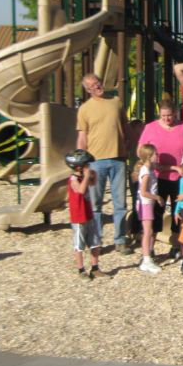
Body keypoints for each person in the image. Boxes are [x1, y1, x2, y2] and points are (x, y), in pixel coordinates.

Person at [76, 73, 130, 255]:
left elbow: (126, 127)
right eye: (91, 86)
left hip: (118, 158)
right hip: (95, 161)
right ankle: (96, 240)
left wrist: (128, 147)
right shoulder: (84, 109)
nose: (96, 87)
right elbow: (82, 137)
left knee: (120, 203)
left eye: (97, 83)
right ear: (87, 90)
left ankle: (120, 239)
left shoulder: (116, 102)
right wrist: (81, 163)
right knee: (96, 204)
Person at [137, 102, 183, 261]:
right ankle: (150, 248)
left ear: (175, 113)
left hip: (180, 178)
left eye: (169, 115)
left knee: (179, 211)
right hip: (157, 177)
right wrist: (150, 163)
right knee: (155, 213)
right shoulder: (151, 128)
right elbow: (140, 150)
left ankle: (177, 245)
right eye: (163, 116)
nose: (167, 119)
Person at [65, 149, 105, 279]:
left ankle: (95, 267)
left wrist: (92, 176)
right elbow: (81, 190)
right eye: (87, 165)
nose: (89, 167)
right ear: (79, 167)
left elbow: (93, 184)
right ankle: (81, 269)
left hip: (88, 214)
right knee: (79, 245)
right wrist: (87, 176)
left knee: (95, 242)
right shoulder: (73, 179)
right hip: (78, 217)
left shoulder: (83, 177)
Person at [135, 144, 166, 275]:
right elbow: (143, 192)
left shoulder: (149, 169)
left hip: (148, 203)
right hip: (145, 203)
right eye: (155, 155)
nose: (157, 157)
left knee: (149, 231)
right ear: (149, 156)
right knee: (147, 231)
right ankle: (146, 259)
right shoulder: (146, 172)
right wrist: (157, 197)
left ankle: (147, 257)